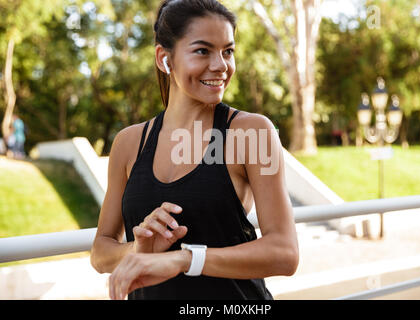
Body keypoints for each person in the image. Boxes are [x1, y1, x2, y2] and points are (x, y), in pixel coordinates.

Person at [90, 0, 298, 300]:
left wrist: (184, 259)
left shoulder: (251, 132)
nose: (221, 65)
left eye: (228, 51)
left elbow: (285, 252)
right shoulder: (129, 143)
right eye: (203, 51)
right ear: (165, 58)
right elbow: (100, 252)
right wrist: (141, 250)